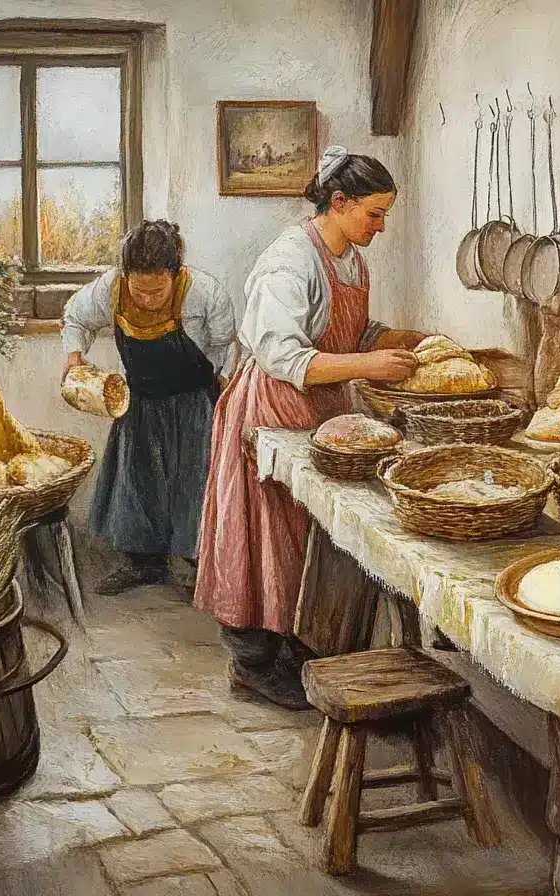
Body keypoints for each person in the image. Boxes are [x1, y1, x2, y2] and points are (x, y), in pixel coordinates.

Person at [193, 147, 427, 709]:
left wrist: (396, 341)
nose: (382, 225)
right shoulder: (289, 260)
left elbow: (348, 330)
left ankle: (304, 655)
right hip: (274, 411)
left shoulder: (351, 257)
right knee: (267, 538)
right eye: (374, 213)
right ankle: (253, 665)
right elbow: (280, 353)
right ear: (339, 203)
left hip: (324, 414)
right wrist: (369, 366)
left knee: (314, 538)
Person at [61, 220, 237, 593]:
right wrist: (74, 358)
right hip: (139, 403)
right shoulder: (110, 289)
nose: (147, 300)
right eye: (140, 291)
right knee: (139, 483)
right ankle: (145, 566)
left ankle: (198, 570)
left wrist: (224, 387)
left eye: (157, 291)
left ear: (175, 273)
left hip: (194, 405)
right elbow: (75, 317)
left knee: (195, 485)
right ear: (126, 275)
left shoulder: (205, 293)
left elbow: (225, 344)